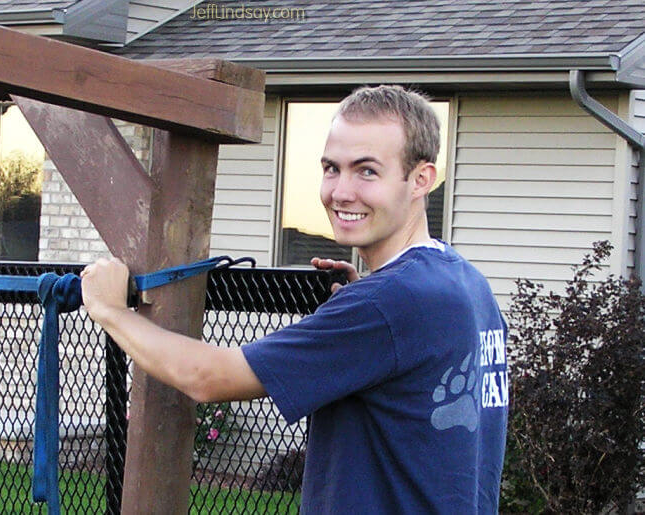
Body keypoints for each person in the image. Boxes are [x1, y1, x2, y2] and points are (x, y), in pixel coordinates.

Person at [80, 85, 508, 513]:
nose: (340, 191)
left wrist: (110, 309)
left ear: (421, 180)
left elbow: (207, 377)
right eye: (331, 168)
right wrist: (363, 308)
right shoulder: (466, 286)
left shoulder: (388, 304)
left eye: (367, 171)